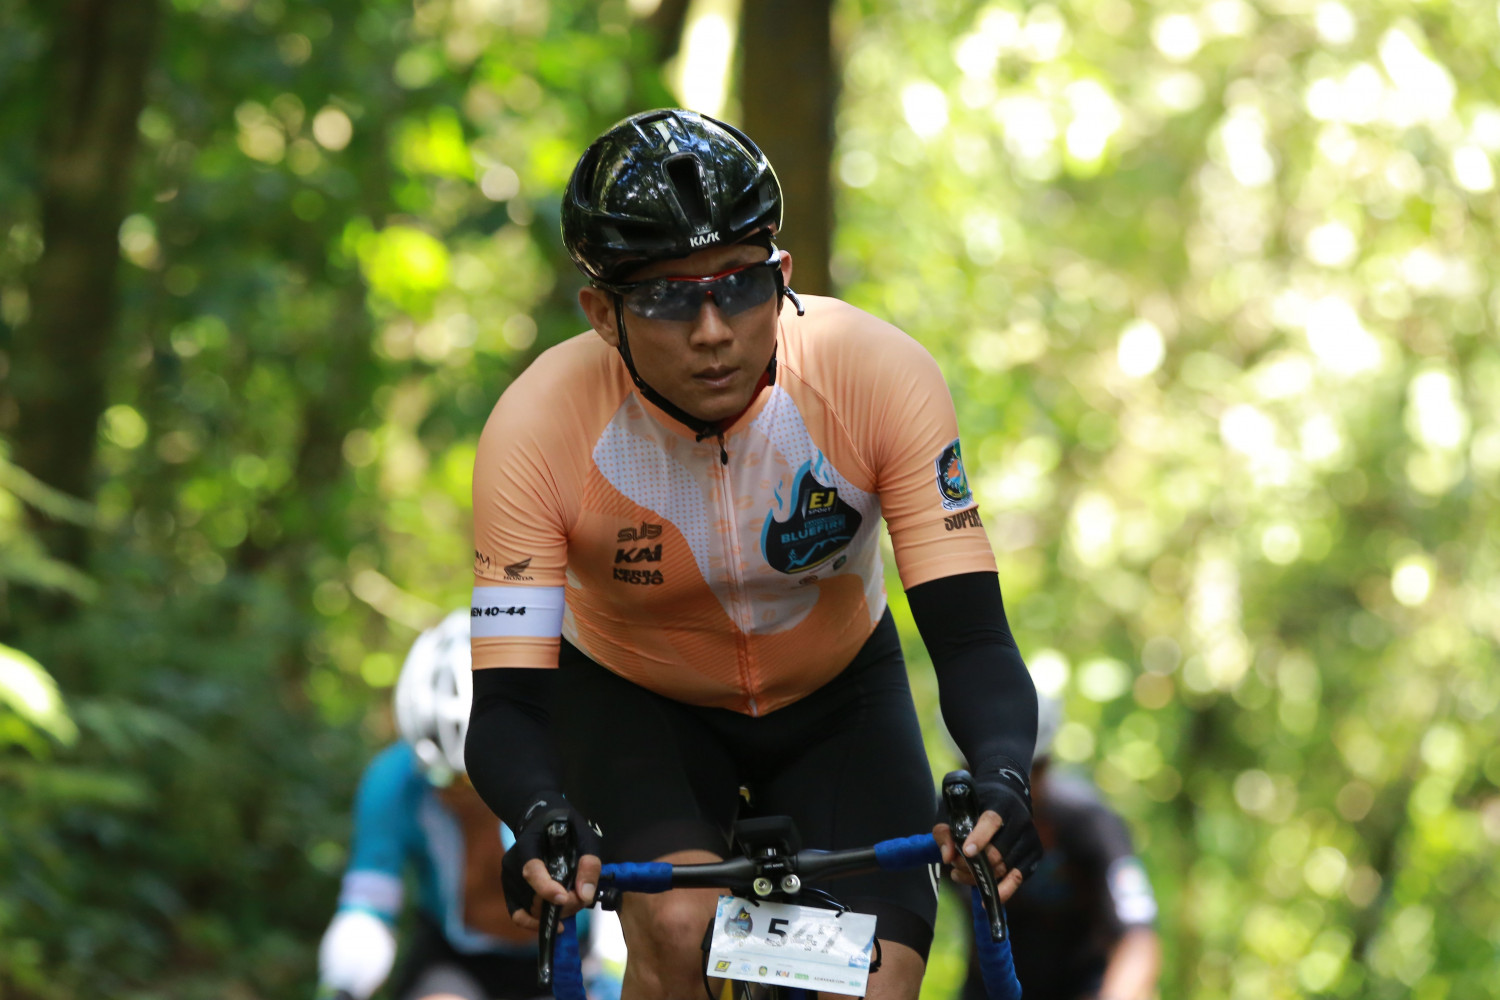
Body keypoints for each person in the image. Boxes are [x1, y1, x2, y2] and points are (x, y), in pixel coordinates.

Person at [465, 108, 1043, 1000]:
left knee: (872, 984)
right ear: (602, 313)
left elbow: (971, 640)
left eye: (739, 286)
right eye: (666, 298)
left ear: (783, 277)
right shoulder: (537, 429)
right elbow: (505, 704)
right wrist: (541, 810)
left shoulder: (874, 375)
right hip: (637, 703)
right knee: (681, 931)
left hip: (838, 697)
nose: (712, 330)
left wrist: (1002, 773)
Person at [314, 610, 623, 1000]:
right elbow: (369, 905)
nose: (465, 795)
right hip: (455, 960)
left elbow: (621, 891)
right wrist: (342, 988)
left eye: (479, 781)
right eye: (446, 778)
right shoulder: (395, 781)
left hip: (573, 950)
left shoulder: (571, 768)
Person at [959, 694, 1160, 1000]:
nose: (1011, 791)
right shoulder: (948, 827)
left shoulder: (1089, 822)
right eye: (984, 773)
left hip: (1084, 986)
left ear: (1046, 765)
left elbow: (1138, 939)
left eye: (1029, 770)